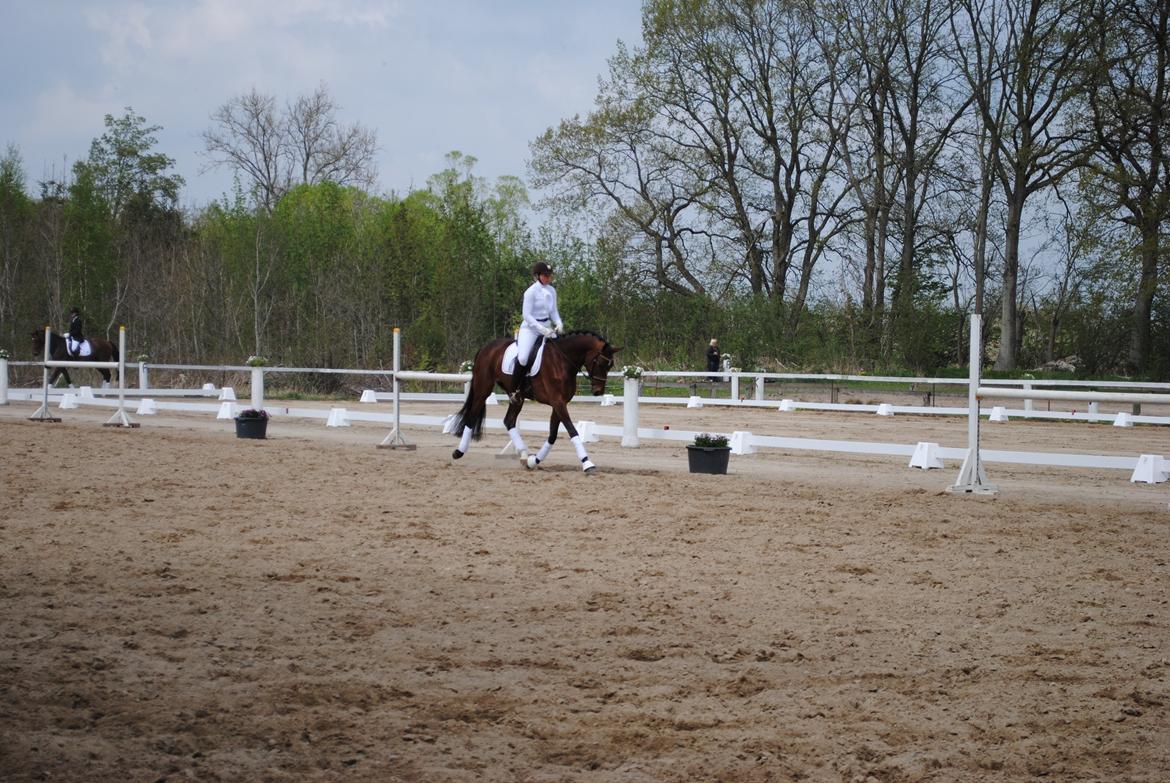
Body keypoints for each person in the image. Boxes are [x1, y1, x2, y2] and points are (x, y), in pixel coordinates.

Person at [509, 261, 564, 404]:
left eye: (549, 275)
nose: (548, 278)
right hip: (530, 329)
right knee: (523, 358)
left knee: (560, 352)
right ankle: (514, 390)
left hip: (547, 327)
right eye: (546, 275)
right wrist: (542, 329)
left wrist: (558, 322)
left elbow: (553, 311)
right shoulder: (530, 292)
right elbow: (526, 315)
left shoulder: (552, 291)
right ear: (538, 276)